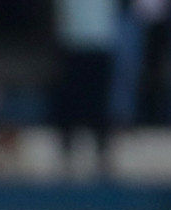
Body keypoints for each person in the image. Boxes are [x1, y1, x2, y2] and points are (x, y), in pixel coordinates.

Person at [52, 0, 121, 175]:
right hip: (73, 41)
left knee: (98, 101)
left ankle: (102, 152)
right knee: (71, 100)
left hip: (101, 41)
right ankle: (67, 152)